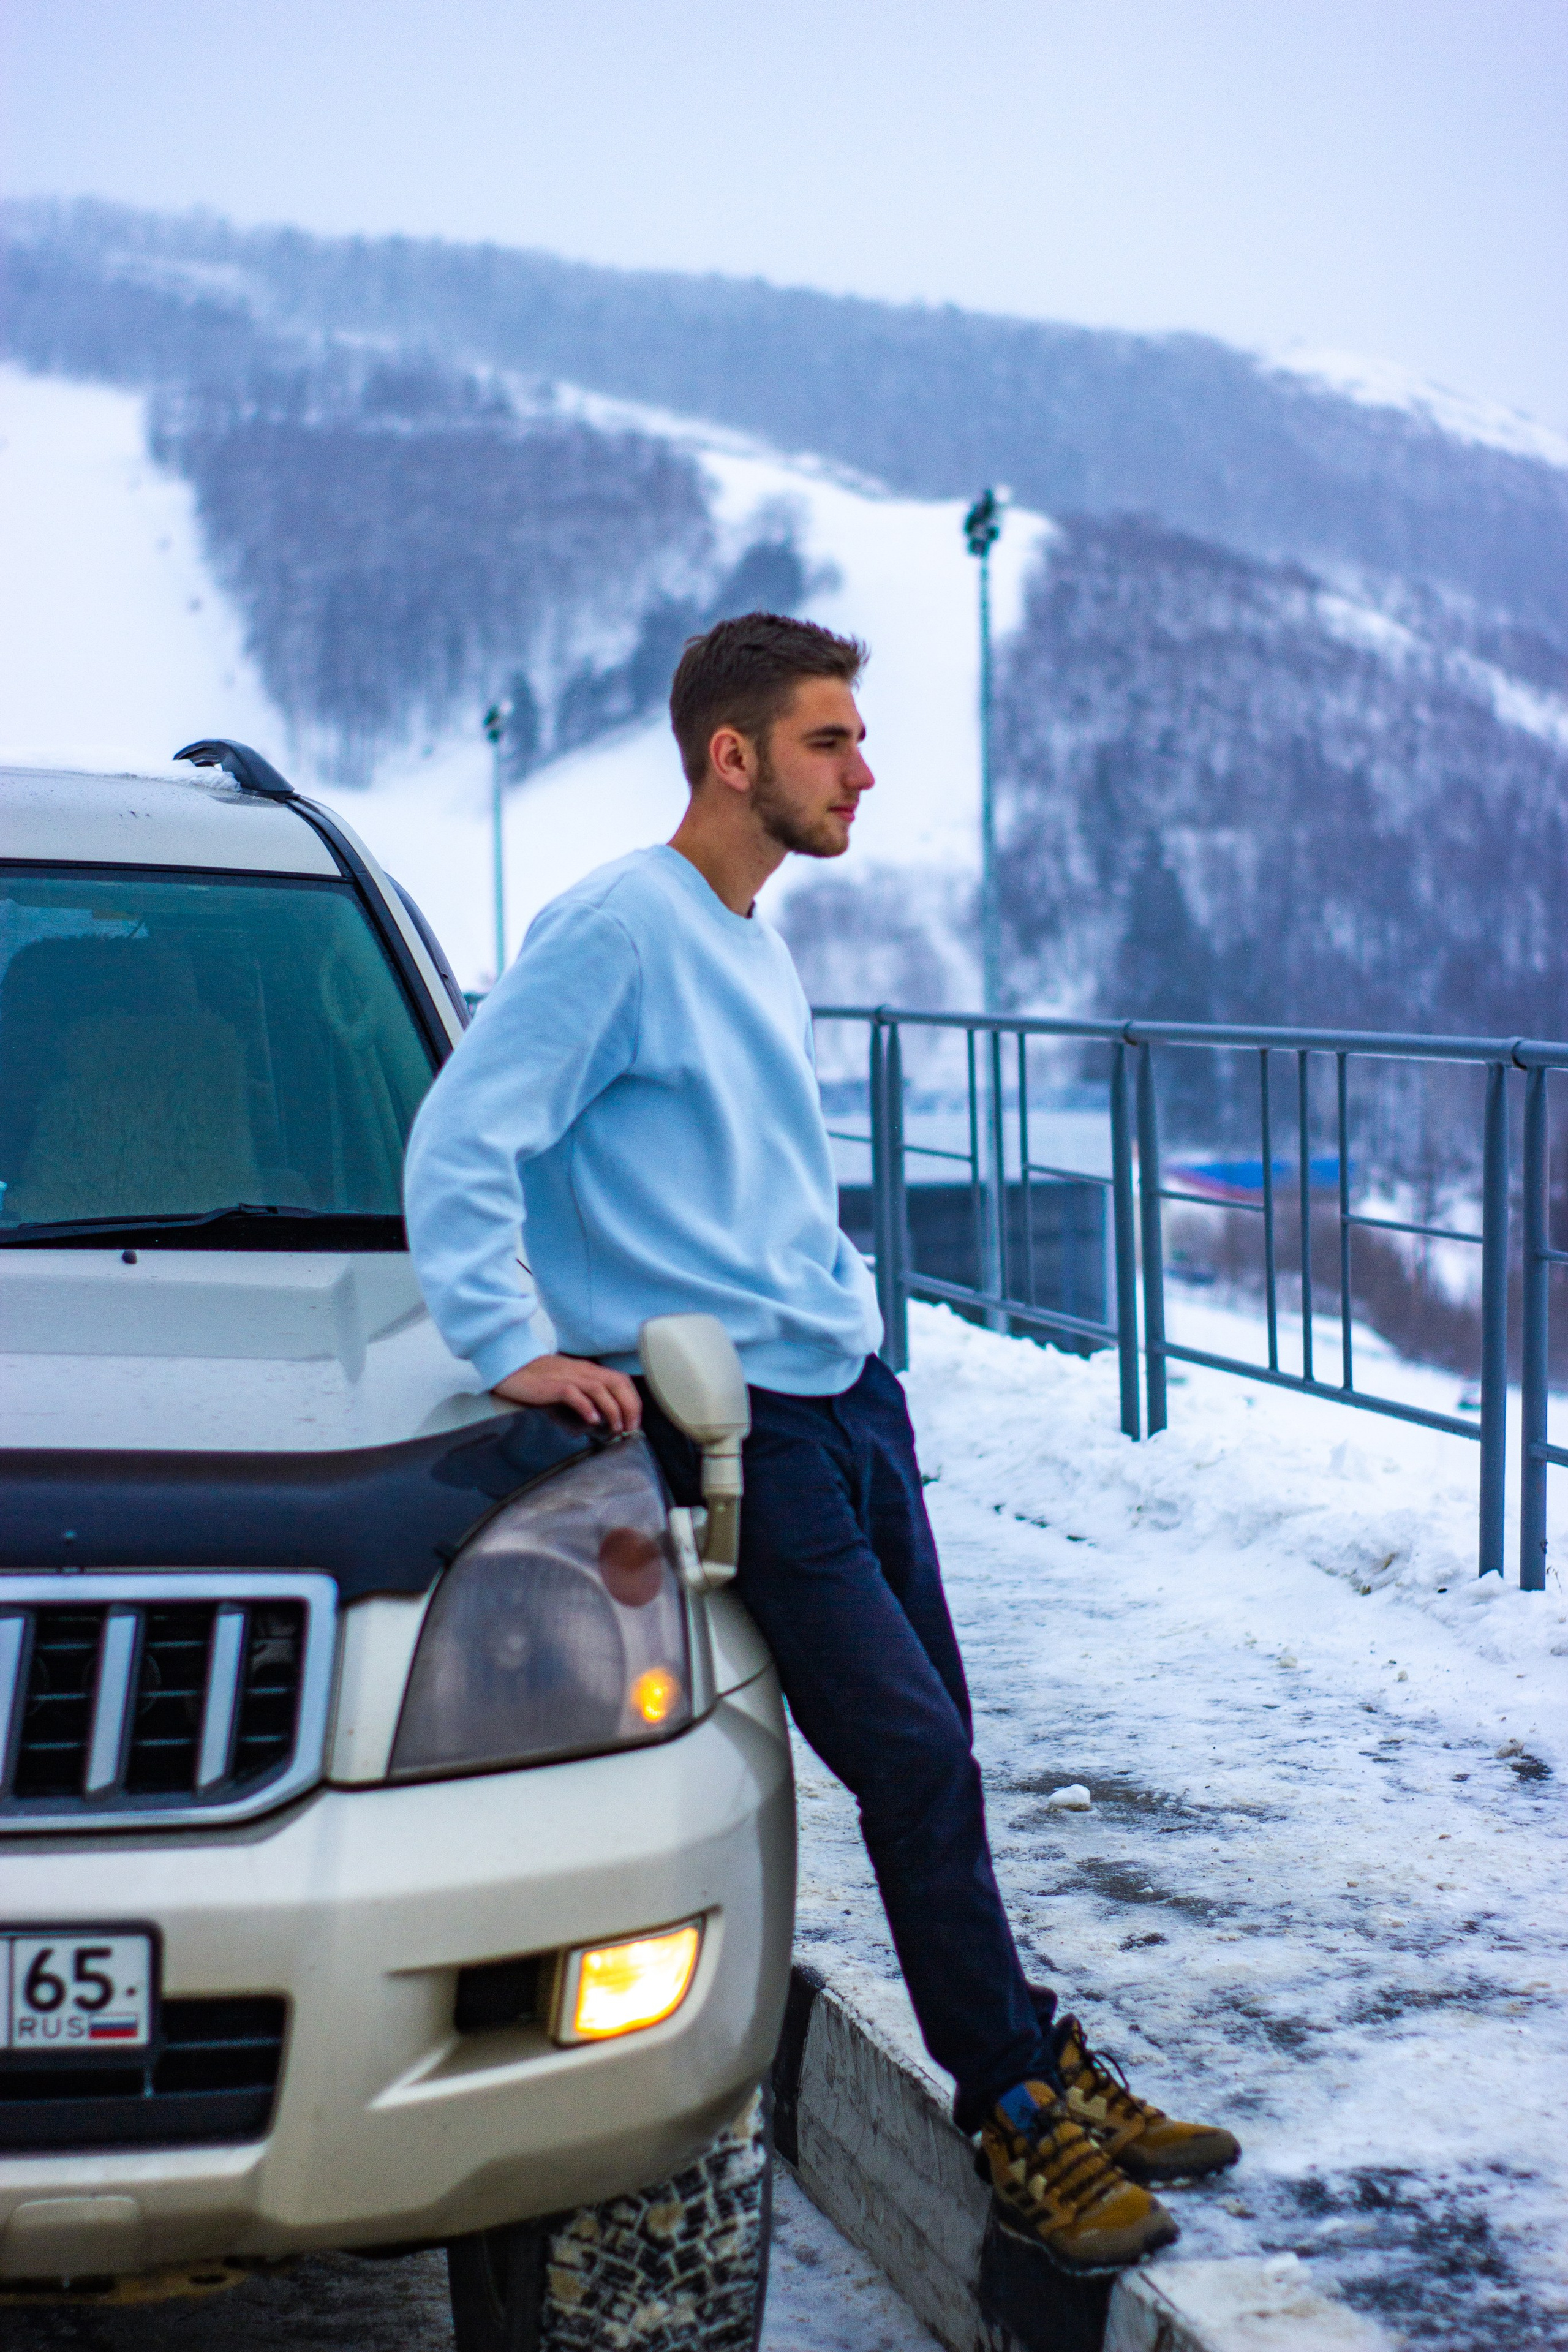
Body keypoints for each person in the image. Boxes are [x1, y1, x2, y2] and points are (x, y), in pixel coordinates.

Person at [404, 612, 1239, 2274]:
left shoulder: (743, 929)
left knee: (943, 1746)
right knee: (910, 1759)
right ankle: (1011, 2114)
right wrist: (518, 1350)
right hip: (755, 1433)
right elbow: (461, 1140)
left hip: (846, 1393)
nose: (865, 769)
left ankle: (1035, 2055)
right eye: (830, 741)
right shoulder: (620, 930)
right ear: (734, 755)